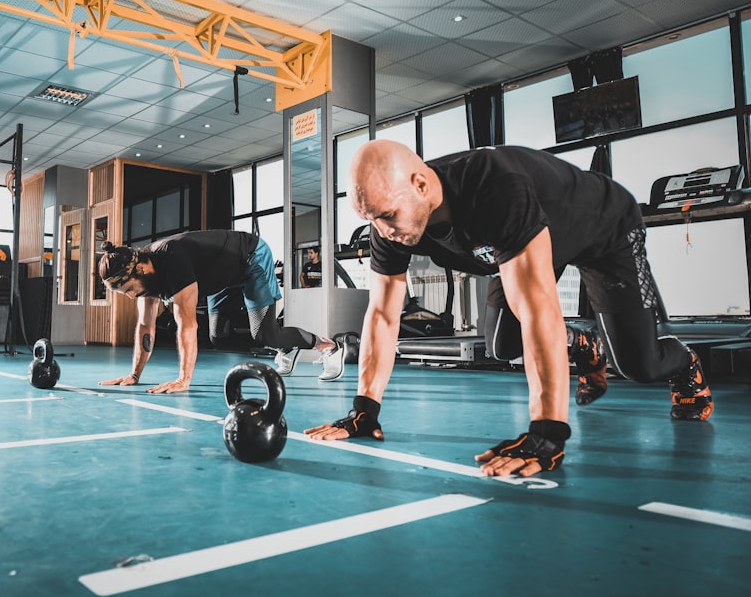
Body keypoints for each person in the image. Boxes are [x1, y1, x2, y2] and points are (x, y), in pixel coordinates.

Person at [305, 140, 713, 478]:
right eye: (371, 218)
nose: (382, 231)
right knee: (502, 343)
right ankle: (584, 345)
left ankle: (683, 364)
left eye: (388, 216)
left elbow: (538, 308)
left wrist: (547, 432)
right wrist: (364, 410)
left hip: (604, 230)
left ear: (421, 184)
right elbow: (381, 314)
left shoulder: (495, 187)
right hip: (529, 242)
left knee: (638, 365)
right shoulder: (390, 223)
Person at [96, 230, 346, 393]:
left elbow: (187, 324)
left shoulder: (173, 259)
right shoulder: (144, 277)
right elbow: (145, 326)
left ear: (140, 269)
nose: (130, 296)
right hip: (219, 276)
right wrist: (134, 374)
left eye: (128, 289)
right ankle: (287, 347)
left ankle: (329, 346)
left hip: (250, 259)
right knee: (218, 337)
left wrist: (184, 380)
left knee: (264, 336)